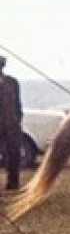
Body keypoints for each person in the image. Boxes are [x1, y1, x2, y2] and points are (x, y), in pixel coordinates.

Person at [0, 55, 23, 190]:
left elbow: (17, 104)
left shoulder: (12, 82)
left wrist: (18, 118)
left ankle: (13, 183)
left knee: (14, 154)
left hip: (11, 125)